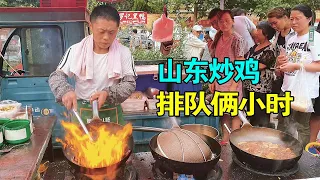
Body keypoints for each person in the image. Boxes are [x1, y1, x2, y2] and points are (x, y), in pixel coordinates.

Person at [48, 5, 137, 125]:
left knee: (117, 144)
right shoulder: (75, 50)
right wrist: (65, 91)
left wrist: (107, 93)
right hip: (82, 111)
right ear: (91, 27)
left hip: (111, 109)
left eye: (111, 32)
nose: (106, 37)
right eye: (101, 31)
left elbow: (129, 84)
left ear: (117, 29)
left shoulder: (124, 53)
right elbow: (56, 77)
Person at [277, 4, 320, 147]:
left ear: (308, 18)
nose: (293, 22)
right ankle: (281, 152)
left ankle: (303, 160)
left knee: (301, 126)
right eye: (291, 19)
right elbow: (291, 59)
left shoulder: (313, 36)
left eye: (298, 18)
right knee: (283, 123)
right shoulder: (291, 38)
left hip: (304, 91)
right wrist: (282, 61)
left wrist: (296, 66)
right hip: (287, 87)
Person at [208, 10, 246, 145]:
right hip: (220, 81)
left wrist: (234, 84)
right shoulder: (217, 38)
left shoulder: (237, 39)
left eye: (227, 20)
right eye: (221, 21)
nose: (224, 24)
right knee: (224, 113)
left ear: (233, 21)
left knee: (235, 112)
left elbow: (240, 64)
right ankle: (225, 139)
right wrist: (212, 79)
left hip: (232, 82)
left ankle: (234, 142)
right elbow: (215, 61)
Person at [243, 21, 276, 127]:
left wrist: (241, 66)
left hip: (261, 90)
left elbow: (260, 66)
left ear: (265, 34)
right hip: (249, 87)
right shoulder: (254, 47)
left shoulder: (270, 49)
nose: (255, 33)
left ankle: (262, 138)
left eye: (258, 30)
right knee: (251, 114)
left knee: (261, 116)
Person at [267, 7, 296, 94]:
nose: (273, 26)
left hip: (294, 76)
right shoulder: (277, 33)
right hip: (281, 75)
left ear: (285, 18)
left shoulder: (297, 33)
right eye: (271, 24)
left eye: (275, 23)